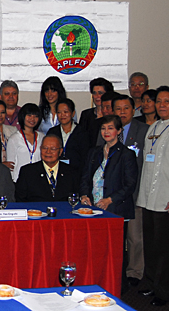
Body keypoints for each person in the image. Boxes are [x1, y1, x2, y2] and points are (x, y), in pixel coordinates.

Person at [80, 115, 138, 293]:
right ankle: (97, 283)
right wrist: (84, 194)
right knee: (96, 249)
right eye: (103, 128)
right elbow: (85, 177)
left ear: (119, 131)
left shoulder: (126, 154)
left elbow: (130, 185)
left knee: (115, 251)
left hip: (115, 208)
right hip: (94, 209)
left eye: (110, 128)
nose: (106, 132)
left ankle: (118, 287)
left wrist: (110, 200)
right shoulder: (94, 152)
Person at [107, 96, 148, 287]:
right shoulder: (107, 129)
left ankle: (135, 272)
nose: (122, 112)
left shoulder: (144, 130)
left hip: (135, 191)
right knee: (114, 238)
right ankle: (115, 271)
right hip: (110, 195)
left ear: (134, 110)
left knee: (134, 237)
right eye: (118, 108)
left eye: (126, 108)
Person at [136, 86, 169, 306]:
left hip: (165, 197)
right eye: (159, 101)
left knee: (164, 247)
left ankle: (163, 291)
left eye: (167, 101)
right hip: (148, 196)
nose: (162, 105)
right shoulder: (153, 127)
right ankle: (150, 282)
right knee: (150, 244)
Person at [15, 134, 77, 202]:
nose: (48, 152)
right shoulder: (28, 172)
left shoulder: (71, 172)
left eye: (53, 149)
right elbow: (20, 199)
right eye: (45, 148)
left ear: (60, 151)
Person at [46, 98, 91, 183]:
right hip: (55, 175)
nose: (62, 115)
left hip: (76, 175)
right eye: (59, 112)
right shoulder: (52, 132)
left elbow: (85, 158)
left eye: (65, 112)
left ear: (73, 113)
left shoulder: (82, 132)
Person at [6, 103, 45, 182]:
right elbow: (11, 165)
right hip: (19, 180)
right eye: (29, 115)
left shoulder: (42, 137)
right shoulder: (14, 138)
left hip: (39, 180)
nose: (32, 119)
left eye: (36, 116)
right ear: (23, 116)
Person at [0, 100, 18, 170]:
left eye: (3, 112)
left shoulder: (13, 130)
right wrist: (1, 164)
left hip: (12, 169)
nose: (0, 115)